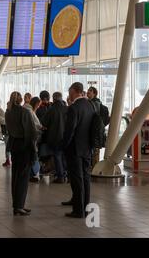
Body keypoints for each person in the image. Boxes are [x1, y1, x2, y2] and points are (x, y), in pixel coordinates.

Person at [61, 82, 96, 218]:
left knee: (77, 179)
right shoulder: (90, 105)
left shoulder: (74, 108)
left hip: (74, 149)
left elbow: (70, 130)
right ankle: (86, 208)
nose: (69, 94)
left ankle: (78, 210)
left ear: (75, 91)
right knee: (86, 178)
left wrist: (64, 145)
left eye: (70, 91)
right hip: (87, 148)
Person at [5, 92, 39, 216]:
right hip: (24, 146)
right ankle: (19, 206)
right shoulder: (24, 112)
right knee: (23, 177)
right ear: (21, 100)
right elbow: (31, 132)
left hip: (14, 146)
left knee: (15, 175)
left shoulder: (8, 112)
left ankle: (17, 205)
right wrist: (34, 147)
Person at [41, 92, 68, 183]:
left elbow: (44, 123)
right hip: (66, 137)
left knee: (57, 156)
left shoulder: (51, 110)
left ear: (53, 98)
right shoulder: (66, 109)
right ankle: (64, 174)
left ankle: (60, 176)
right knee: (64, 156)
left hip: (54, 137)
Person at [87, 86, 110, 168]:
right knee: (96, 152)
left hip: (92, 132)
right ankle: (95, 168)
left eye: (90, 91)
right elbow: (106, 121)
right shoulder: (103, 107)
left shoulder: (90, 104)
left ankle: (94, 169)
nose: (88, 92)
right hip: (99, 133)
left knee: (92, 152)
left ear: (94, 93)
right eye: (88, 91)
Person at [24, 97, 42, 182]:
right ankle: (34, 174)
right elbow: (35, 123)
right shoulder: (30, 111)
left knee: (30, 155)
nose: (38, 106)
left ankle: (32, 174)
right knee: (33, 155)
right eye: (38, 104)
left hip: (27, 137)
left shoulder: (26, 109)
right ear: (35, 104)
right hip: (31, 136)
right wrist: (41, 127)